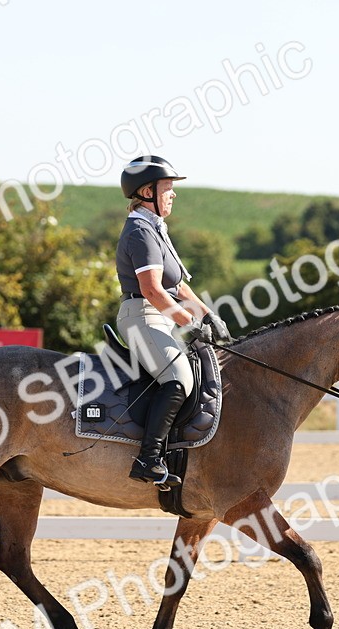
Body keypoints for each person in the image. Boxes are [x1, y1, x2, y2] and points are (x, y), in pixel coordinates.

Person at [115, 155, 231, 487]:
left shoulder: (155, 228)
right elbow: (152, 290)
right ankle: (148, 459)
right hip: (142, 317)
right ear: (147, 191)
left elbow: (176, 285)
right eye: (167, 187)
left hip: (158, 317)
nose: (173, 193)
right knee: (179, 378)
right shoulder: (140, 230)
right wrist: (186, 321)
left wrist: (207, 315)